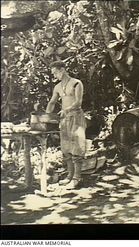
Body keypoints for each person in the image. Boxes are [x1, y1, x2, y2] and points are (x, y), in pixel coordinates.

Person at [46, 61, 86, 189]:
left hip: (76, 118)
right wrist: (46, 115)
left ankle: (77, 178)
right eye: (53, 73)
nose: (55, 75)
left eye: (56, 72)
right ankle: (69, 176)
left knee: (76, 148)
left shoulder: (76, 83)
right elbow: (52, 102)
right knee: (66, 148)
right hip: (64, 120)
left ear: (62, 70)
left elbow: (78, 103)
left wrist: (66, 109)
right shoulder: (57, 87)